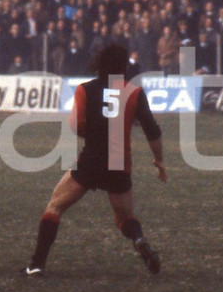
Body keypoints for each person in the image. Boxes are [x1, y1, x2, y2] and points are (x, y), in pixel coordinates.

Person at [20, 44, 166, 277]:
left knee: (55, 206)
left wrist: (94, 132)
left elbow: (76, 126)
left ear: (99, 64)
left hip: (92, 159)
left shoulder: (84, 90)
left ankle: (37, 264)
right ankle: (138, 239)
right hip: (119, 163)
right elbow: (153, 130)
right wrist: (159, 160)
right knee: (124, 218)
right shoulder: (135, 93)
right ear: (123, 67)